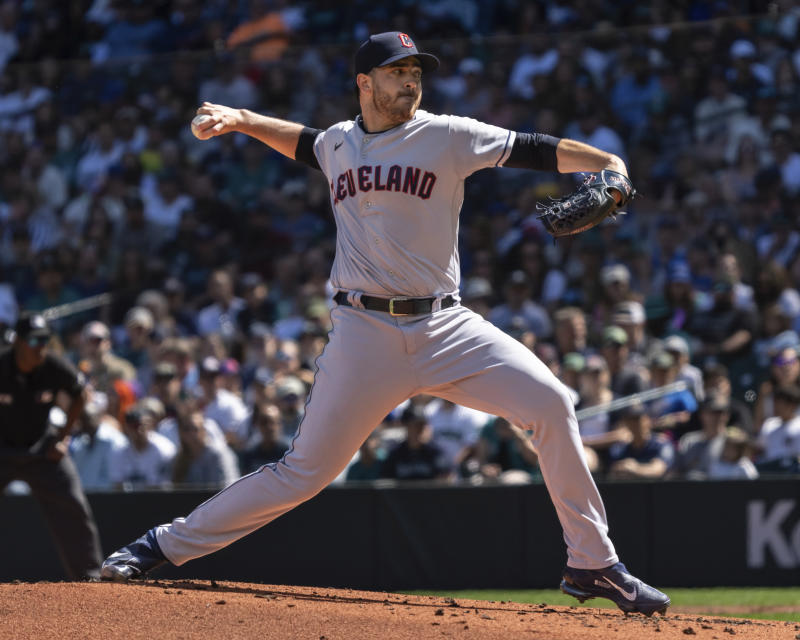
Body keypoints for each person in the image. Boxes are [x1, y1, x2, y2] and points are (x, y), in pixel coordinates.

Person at [100, 32, 670, 615]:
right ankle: (158, 548)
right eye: (398, 71)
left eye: (416, 70)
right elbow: (303, 143)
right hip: (362, 333)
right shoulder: (339, 143)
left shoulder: (446, 134)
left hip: (446, 327)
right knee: (304, 471)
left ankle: (593, 563)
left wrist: (607, 164)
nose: (411, 80)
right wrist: (242, 118)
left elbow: (537, 149)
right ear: (364, 83)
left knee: (551, 403)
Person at [0, 313, 103, 579]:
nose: (41, 346)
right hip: (2, 448)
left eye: (45, 339)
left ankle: (89, 578)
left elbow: (81, 393)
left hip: (41, 449)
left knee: (73, 506)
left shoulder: (53, 366)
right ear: (18, 343)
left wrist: (63, 437)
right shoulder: (2, 365)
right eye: (35, 340)